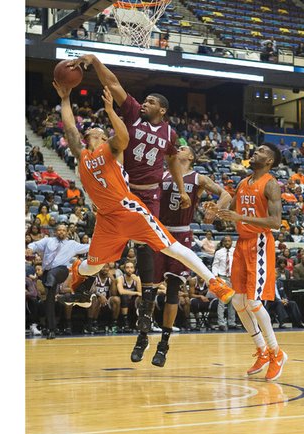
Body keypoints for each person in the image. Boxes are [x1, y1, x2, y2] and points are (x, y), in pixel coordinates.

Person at [53, 80, 235, 361]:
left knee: (170, 247)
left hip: (129, 209)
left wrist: (111, 110)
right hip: (107, 218)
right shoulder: (82, 155)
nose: (91, 130)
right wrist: (65, 97)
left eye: (97, 130)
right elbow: (69, 129)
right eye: (90, 130)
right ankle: (80, 280)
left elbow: (124, 138)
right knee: (93, 265)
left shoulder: (110, 150)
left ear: (103, 139)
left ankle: (214, 281)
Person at [65, 54, 197, 358]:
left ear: (161, 110)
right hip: (120, 191)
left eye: (151, 101)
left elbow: (173, 159)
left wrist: (179, 188)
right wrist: (95, 62)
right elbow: (112, 82)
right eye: (145, 100)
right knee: (116, 251)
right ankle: (89, 281)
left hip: (149, 197)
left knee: (147, 256)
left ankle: (144, 330)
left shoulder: (170, 134)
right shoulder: (133, 112)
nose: (144, 102)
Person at [150, 144, 232, 366]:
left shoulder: (199, 178)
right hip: (159, 230)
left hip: (181, 233)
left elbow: (226, 195)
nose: (179, 149)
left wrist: (215, 209)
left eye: (183, 148)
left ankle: (164, 344)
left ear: (191, 156)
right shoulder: (162, 173)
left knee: (174, 290)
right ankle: (142, 334)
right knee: (149, 286)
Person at [217, 144, 288, 381]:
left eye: (261, 151)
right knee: (238, 301)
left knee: (254, 302)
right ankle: (261, 349)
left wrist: (240, 217)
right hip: (242, 242)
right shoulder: (243, 182)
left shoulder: (270, 184)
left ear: (269, 161)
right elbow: (233, 210)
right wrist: (218, 212)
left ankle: (276, 353)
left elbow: (276, 222)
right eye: (255, 149)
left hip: (259, 243)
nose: (255, 152)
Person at [26, 224, 91, 339]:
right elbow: (35, 245)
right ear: (55, 232)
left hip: (62, 271)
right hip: (47, 272)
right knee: (49, 301)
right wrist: (30, 248)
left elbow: (88, 247)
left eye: (63, 230)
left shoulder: (72, 244)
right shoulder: (48, 241)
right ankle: (51, 329)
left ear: (67, 232)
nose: (61, 232)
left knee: (52, 274)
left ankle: (49, 283)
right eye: (59, 230)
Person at [211, 236, 237, 331]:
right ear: (223, 242)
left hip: (233, 278)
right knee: (222, 302)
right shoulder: (218, 252)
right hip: (222, 278)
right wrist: (215, 277)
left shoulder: (236, 251)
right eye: (225, 241)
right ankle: (221, 323)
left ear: (231, 242)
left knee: (232, 302)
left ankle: (231, 322)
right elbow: (215, 265)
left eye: (229, 241)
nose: (227, 242)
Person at [116, 261, 142, 332]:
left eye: (131, 267)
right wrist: (135, 292)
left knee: (141, 298)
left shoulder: (137, 278)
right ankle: (125, 323)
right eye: (127, 267)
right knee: (124, 296)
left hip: (133, 300)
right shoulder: (120, 278)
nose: (129, 269)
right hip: (122, 300)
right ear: (124, 269)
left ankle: (140, 321)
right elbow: (121, 291)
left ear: (134, 269)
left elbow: (140, 293)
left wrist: (138, 281)